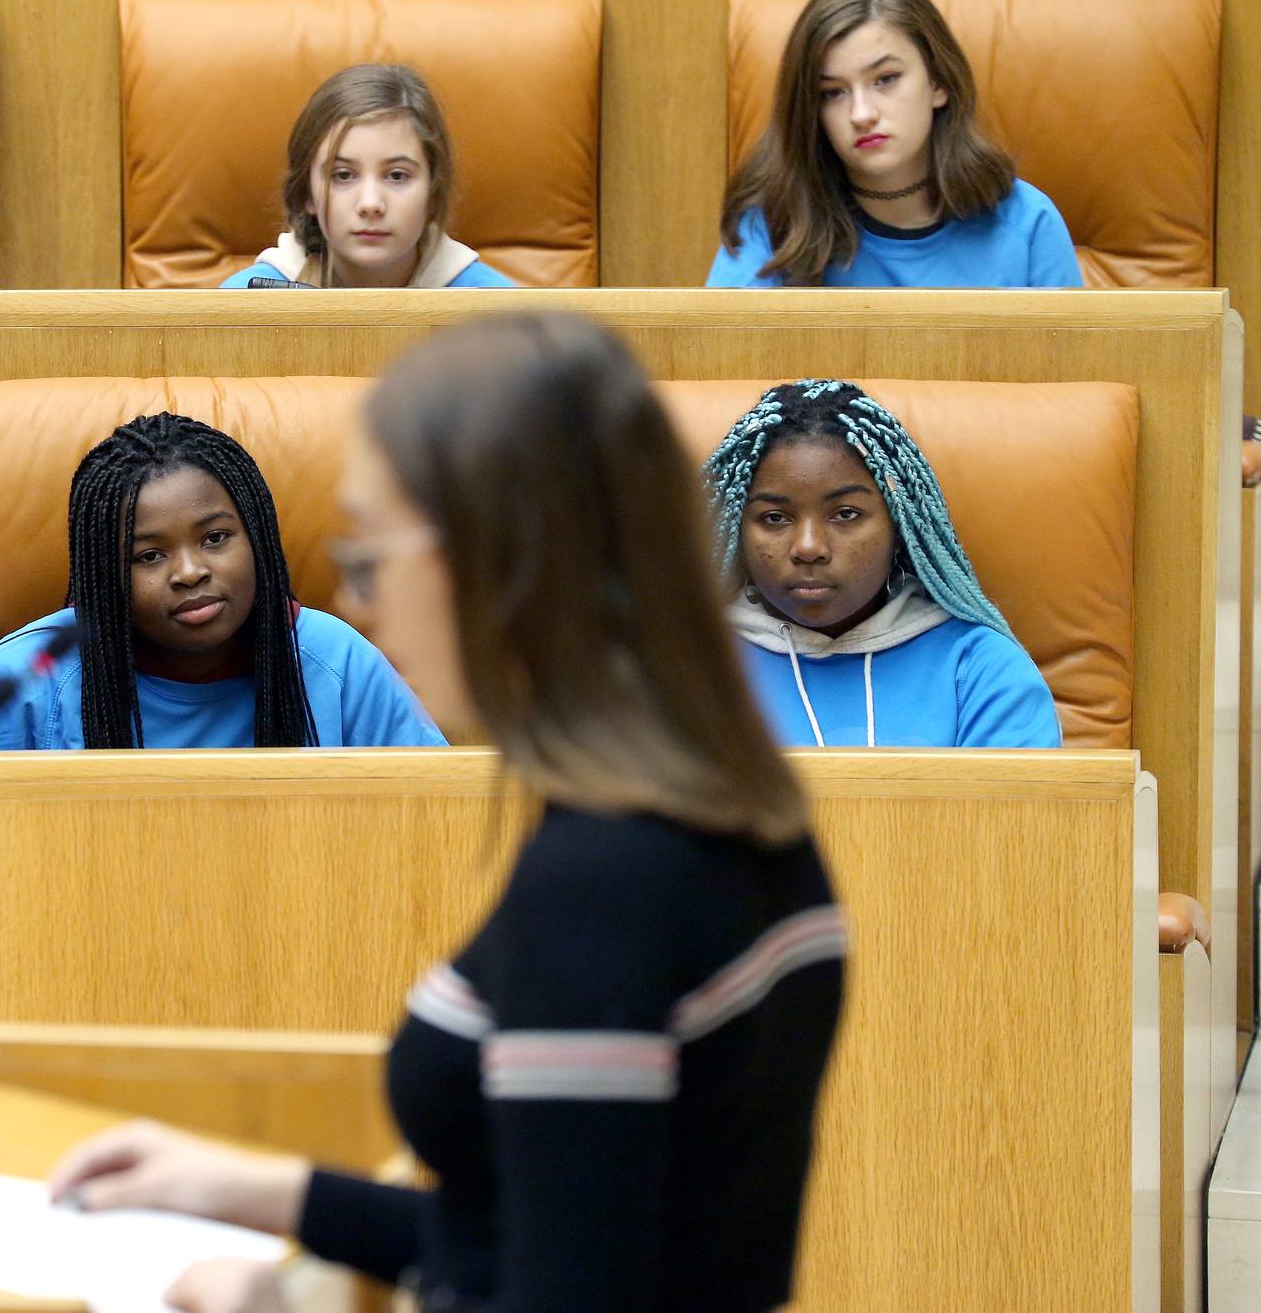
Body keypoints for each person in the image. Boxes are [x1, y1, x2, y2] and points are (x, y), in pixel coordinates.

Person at [45, 314, 845, 1312]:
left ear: (491, 556)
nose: (355, 599)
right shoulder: (728, 812)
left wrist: (278, 1306)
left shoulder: (603, 885)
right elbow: (564, 1241)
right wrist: (258, 1192)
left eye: (371, 555)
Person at [0, 413, 444, 750]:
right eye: (150, 555)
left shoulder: (334, 661)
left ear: (259, 538)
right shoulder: (31, 673)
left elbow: (435, 821)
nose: (189, 572)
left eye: (216, 538)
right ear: (105, 574)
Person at [702, 379, 1062, 748]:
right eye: (775, 518)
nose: (808, 547)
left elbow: (1020, 808)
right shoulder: (690, 672)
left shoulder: (978, 669)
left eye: (845, 514)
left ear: (899, 528)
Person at [708, 0, 1081, 288]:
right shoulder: (774, 224)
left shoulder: (1028, 224)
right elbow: (727, 367)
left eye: (885, 79)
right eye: (833, 93)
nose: (861, 113)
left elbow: (1076, 370)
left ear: (938, 83)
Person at [220, 64, 514, 290]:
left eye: (397, 176)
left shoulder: (499, 310)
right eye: (343, 175)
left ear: (433, 193)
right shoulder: (240, 306)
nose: (371, 204)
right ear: (307, 193)